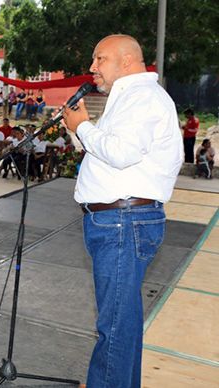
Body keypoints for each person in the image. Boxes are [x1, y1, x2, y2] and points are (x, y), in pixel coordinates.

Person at [62, 34, 183, 388]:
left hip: (123, 222)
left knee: (114, 325)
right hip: (118, 222)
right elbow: (108, 154)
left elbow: (121, 153)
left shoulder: (142, 97)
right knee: (121, 322)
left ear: (127, 60)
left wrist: (82, 126)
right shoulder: (129, 98)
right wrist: (78, 129)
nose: (92, 68)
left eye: (99, 59)